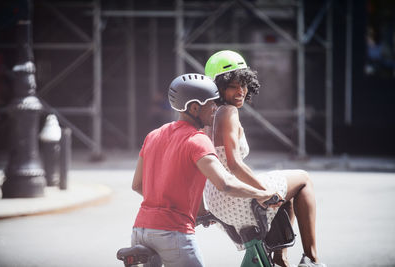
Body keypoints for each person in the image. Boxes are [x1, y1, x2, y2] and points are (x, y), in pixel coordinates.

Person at [131, 73, 283, 267]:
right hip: (172, 234)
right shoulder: (197, 139)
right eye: (211, 103)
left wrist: (195, 209)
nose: (215, 108)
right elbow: (225, 184)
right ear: (194, 108)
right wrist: (261, 193)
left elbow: (137, 185)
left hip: (140, 231)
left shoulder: (153, 135)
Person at [203, 50, 326, 267]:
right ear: (218, 86)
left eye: (244, 84)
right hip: (236, 196)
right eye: (233, 85)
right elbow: (234, 164)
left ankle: (280, 256)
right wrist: (264, 192)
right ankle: (312, 259)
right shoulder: (228, 112)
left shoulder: (205, 114)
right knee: (303, 179)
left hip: (216, 200)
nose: (241, 91)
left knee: (285, 190)